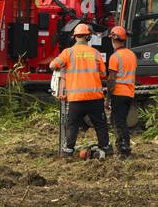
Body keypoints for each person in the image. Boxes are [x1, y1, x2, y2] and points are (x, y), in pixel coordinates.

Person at [51, 22, 109, 158]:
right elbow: (103, 74)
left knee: (72, 126)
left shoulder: (68, 52)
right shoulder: (95, 53)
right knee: (100, 125)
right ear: (88, 38)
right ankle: (105, 147)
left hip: (76, 99)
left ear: (74, 37)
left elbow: (53, 65)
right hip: (95, 97)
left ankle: (68, 151)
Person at [106, 25, 137, 157]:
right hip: (129, 93)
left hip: (118, 93)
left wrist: (107, 98)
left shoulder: (115, 57)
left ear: (114, 39)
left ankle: (123, 148)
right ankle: (123, 146)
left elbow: (111, 80)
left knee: (118, 122)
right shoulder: (132, 55)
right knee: (121, 120)